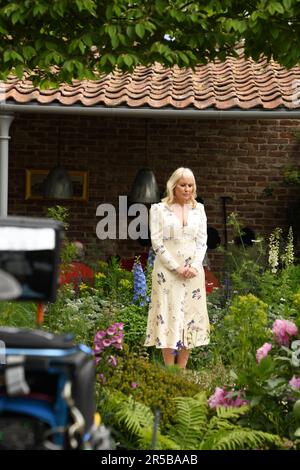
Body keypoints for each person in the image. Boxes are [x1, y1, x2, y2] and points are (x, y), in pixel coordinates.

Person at [144, 167, 210, 369]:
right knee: (168, 314)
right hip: (167, 273)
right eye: (183, 185)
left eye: (190, 185)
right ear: (173, 186)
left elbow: (202, 241)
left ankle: (181, 370)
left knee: (189, 316)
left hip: (193, 273)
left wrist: (194, 266)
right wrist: (176, 267)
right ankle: (169, 370)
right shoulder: (158, 210)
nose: (187, 189)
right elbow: (157, 242)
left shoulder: (199, 209)